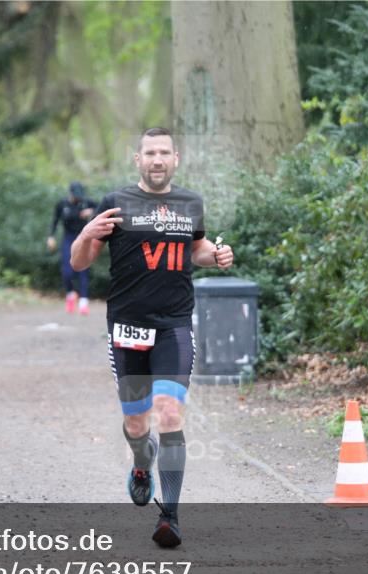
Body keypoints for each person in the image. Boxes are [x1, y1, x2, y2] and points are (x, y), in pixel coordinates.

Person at [70, 127, 234, 548]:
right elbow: (79, 261)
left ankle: (171, 517)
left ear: (175, 158)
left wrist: (213, 257)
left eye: (164, 152)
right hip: (126, 325)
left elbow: (194, 248)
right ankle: (142, 461)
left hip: (174, 324)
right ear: (137, 159)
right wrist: (87, 234)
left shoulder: (190, 203)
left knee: (170, 413)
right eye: (150, 153)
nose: (157, 159)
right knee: (135, 422)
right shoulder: (115, 204)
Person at [47, 181, 96, 315]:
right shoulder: (62, 204)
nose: (78, 198)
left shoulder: (87, 202)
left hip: (83, 238)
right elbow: (55, 221)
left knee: (83, 271)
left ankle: (84, 302)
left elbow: (103, 209)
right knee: (67, 271)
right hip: (68, 238)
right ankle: (70, 294)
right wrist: (51, 236)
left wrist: (91, 211)